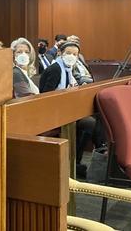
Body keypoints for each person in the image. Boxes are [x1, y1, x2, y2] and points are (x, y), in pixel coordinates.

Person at [38, 41, 101, 177]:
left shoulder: (67, 69)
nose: (71, 56)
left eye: (75, 54)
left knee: (96, 119)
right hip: (51, 113)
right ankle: (75, 163)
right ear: (60, 53)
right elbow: (45, 96)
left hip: (65, 110)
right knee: (90, 123)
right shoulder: (56, 69)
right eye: (68, 53)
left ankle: (85, 160)